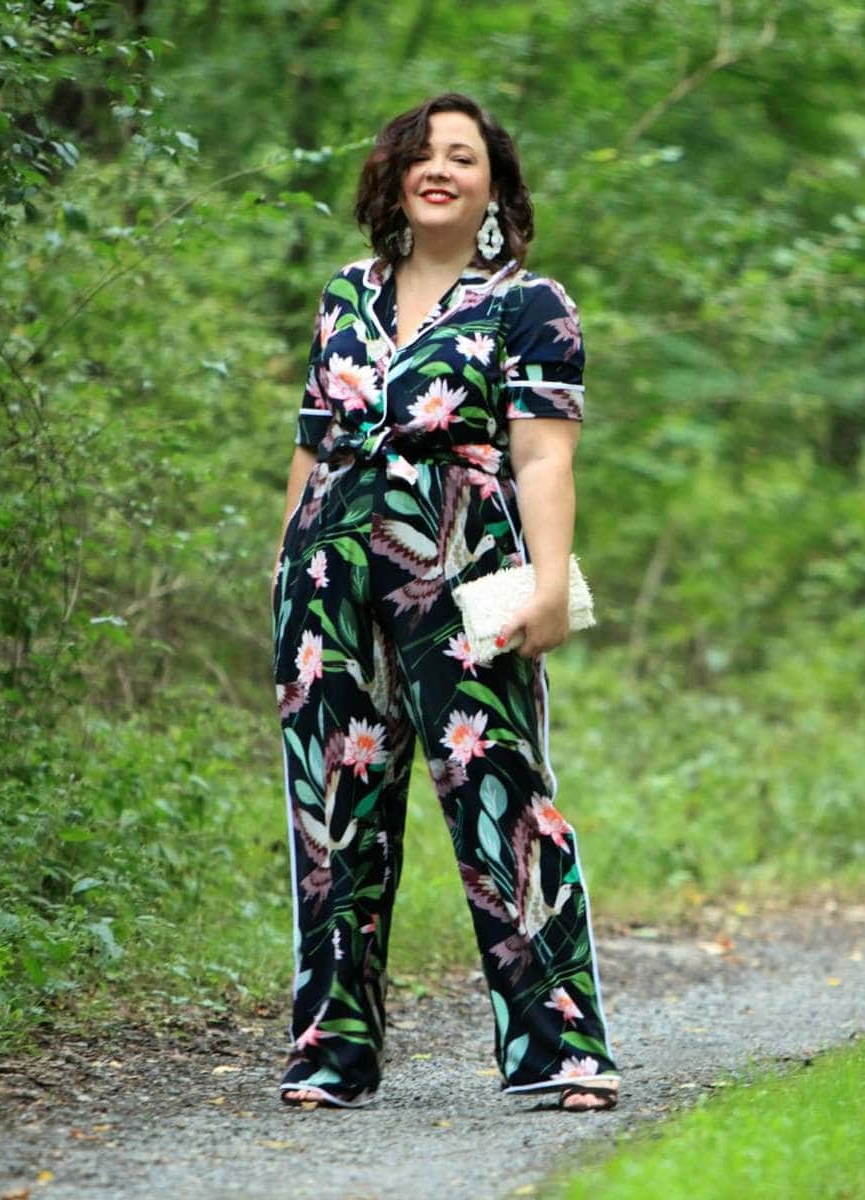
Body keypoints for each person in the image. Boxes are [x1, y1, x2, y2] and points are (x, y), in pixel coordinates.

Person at [269, 92, 619, 1112]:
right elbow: (310, 447)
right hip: (325, 576)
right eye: (420, 153)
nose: (438, 167)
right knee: (333, 810)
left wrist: (553, 585)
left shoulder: (531, 302)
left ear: (493, 186)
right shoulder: (344, 296)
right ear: (391, 177)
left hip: (473, 560)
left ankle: (560, 1047)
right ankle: (332, 1053)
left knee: (500, 791)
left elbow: (543, 452)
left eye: (461, 156)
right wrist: (283, 572)